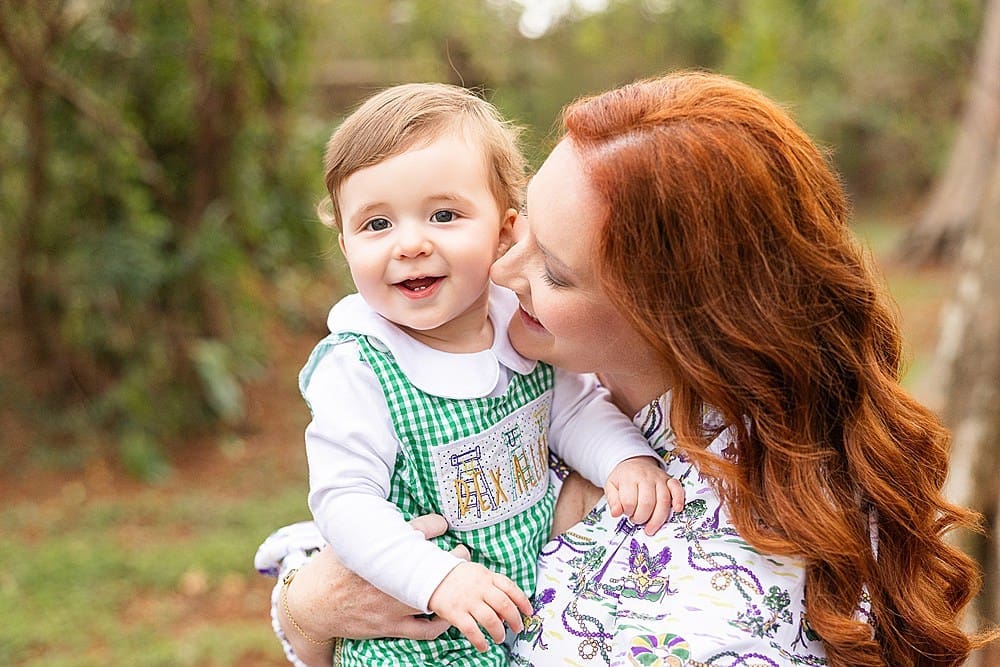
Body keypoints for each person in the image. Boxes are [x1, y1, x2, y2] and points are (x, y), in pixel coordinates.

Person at [258, 71, 993, 666]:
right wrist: (307, 604)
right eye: (518, 228)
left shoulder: (701, 589)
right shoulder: (547, 374)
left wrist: (317, 605)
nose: (500, 268)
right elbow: (382, 494)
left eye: (552, 267)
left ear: (671, 315)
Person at [292, 82, 684, 666]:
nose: (410, 244)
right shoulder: (360, 365)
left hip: (513, 613)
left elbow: (570, 409)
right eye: (376, 225)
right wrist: (435, 578)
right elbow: (345, 501)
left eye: (443, 214)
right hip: (417, 632)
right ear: (345, 244)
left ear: (504, 230)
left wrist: (623, 458)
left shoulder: (513, 326)